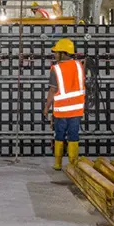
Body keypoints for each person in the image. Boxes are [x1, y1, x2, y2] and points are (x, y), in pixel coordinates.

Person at [42, 38, 85, 171]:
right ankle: (73, 163)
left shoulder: (56, 69)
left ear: (64, 53)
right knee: (74, 136)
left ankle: (58, 163)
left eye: (57, 52)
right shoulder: (79, 66)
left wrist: (46, 107)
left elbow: (52, 90)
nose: (54, 55)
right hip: (77, 111)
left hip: (61, 112)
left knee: (59, 135)